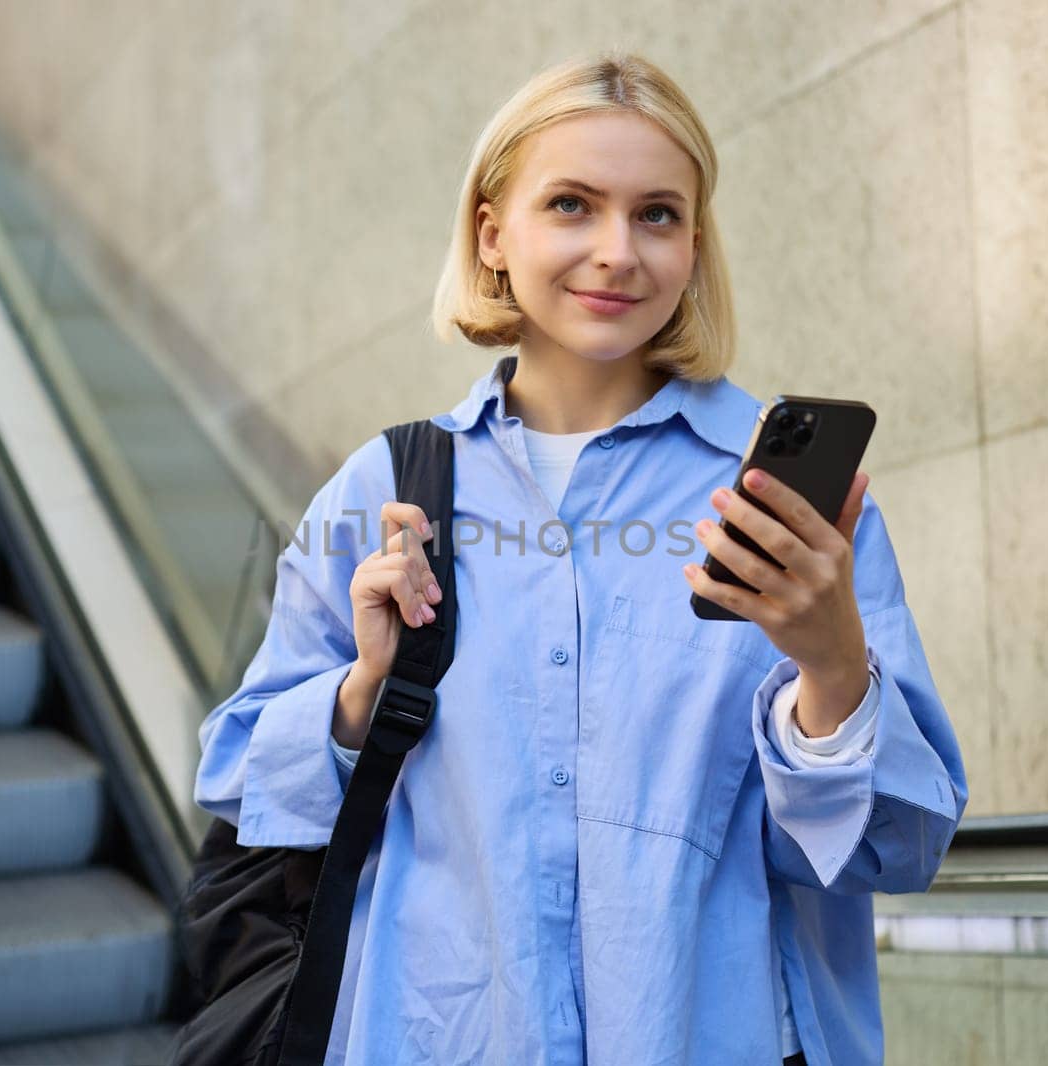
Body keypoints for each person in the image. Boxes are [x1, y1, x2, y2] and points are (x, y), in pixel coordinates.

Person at [195, 49, 967, 1066]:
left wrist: (833, 670)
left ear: (695, 245)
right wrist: (361, 690)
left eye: (657, 214)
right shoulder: (381, 488)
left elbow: (895, 846)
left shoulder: (783, 500)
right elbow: (240, 776)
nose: (617, 251)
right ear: (492, 233)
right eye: (570, 205)